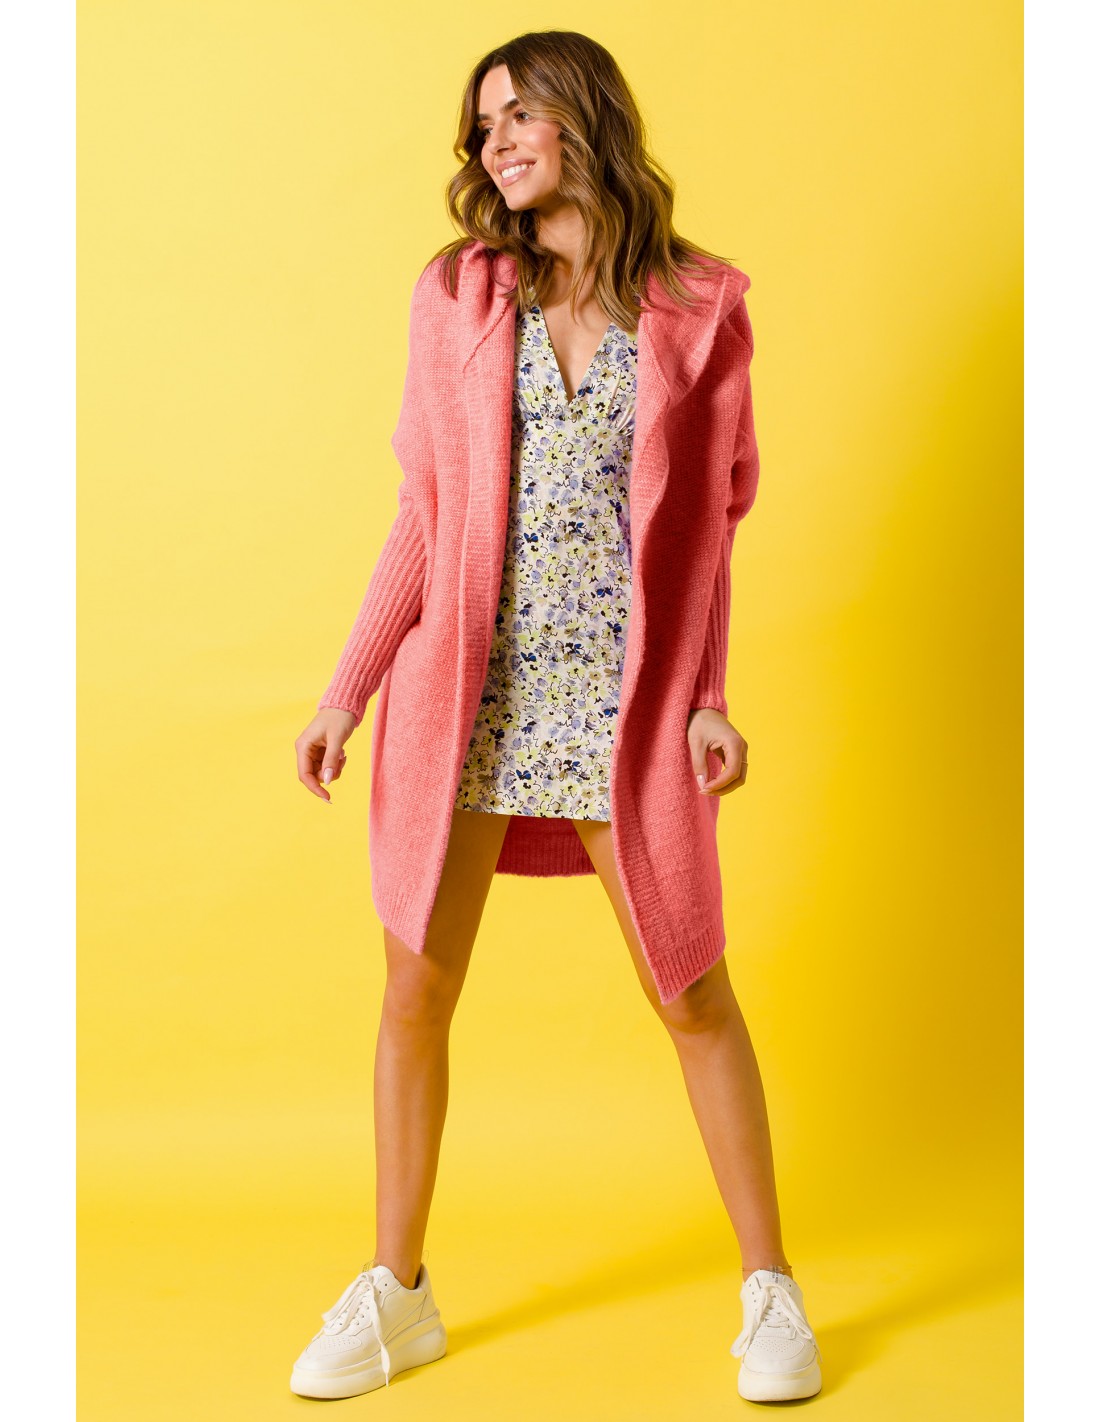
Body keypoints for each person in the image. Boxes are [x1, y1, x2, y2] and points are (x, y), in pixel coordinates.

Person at [290, 29, 822, 1406]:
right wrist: (350, 686)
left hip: (623, 706)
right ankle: (398, 1291)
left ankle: (771, 1290)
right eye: (483, 127)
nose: (496, 142)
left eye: (518, 113)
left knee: (691, 990)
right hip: (469, 696)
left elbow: (708, 529)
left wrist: (708, 696)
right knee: (416, 990)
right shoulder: (460, 294)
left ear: (585, 116)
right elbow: (424, 513)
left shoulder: (696, 307)